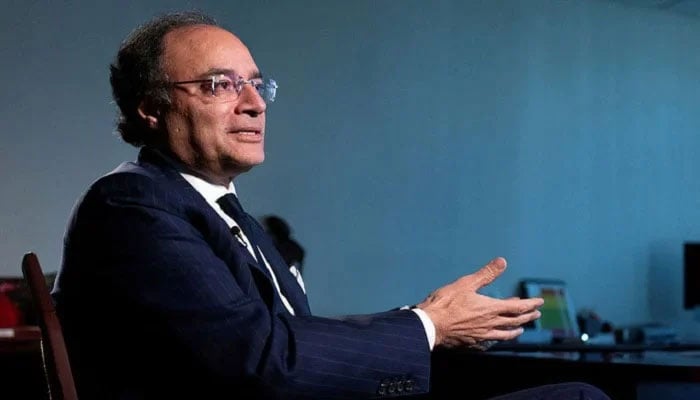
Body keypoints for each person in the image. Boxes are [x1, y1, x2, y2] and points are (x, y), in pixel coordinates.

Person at [52, 11, 612, 400]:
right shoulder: (132, 204)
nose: (253, 104)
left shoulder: (230, 214)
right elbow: (261, 362)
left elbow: (294, 341)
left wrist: (429, 322)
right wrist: (427, 327)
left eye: (256, 84)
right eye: (221, 84)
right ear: (152, 108)